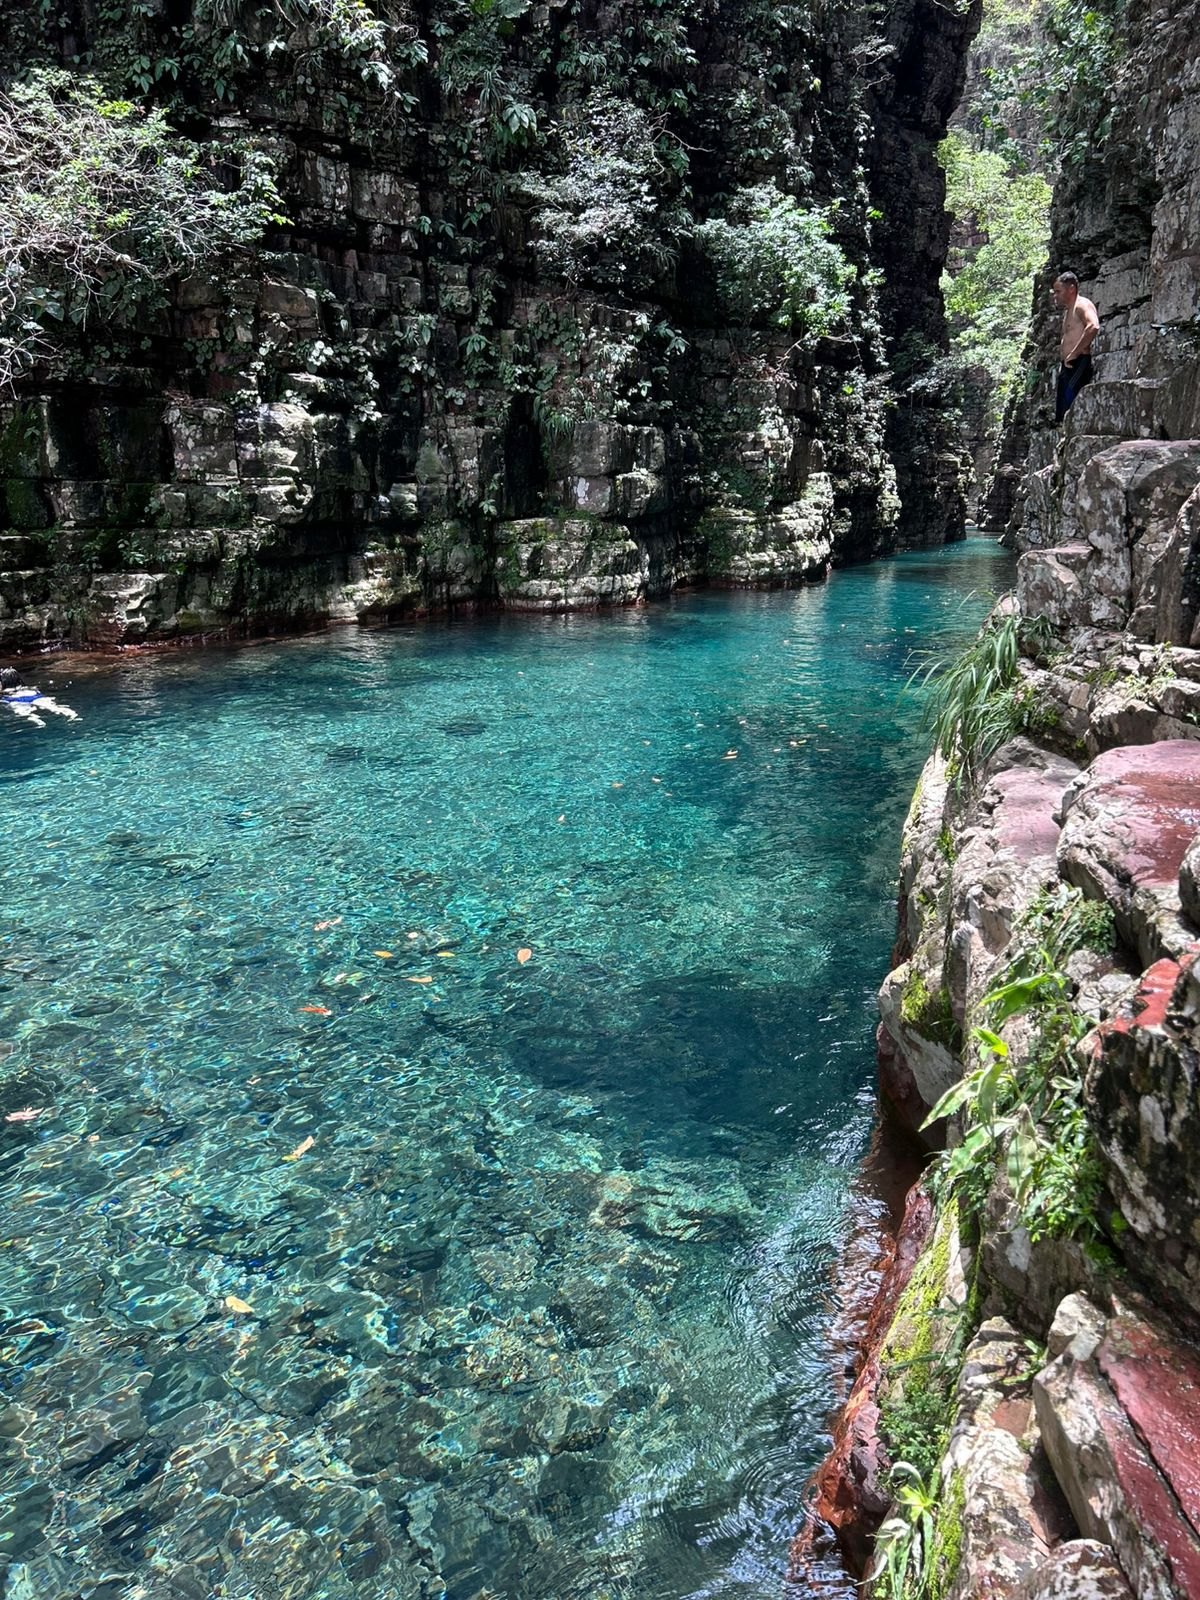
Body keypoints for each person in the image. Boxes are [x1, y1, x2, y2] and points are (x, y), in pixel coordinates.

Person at [1052, 271, 1100, 424]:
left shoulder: (1082, 305)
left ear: (1071, 289)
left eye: (1058, 291)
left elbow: (1093, 326)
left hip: (1078, 362)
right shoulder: (1069, 310)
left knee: (1072, 407)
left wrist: (1074, 353)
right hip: (1068, 366)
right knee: (1063, 413)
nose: (1055, 296)